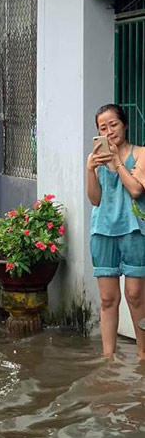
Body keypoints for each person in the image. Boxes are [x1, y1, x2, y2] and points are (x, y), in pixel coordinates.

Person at [87, 103, 145, 359]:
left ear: (125, 125)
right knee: (108, 300)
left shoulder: (141, 154)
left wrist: (117, 161)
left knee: (135, 296)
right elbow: (94, 199)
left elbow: (136, 190)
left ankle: (143, 354)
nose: (109, 131)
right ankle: (107, 360)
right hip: (103, 231)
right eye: (103, 127)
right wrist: (90, 169)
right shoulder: (97, 161)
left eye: (114, 125)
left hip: (133, 231)